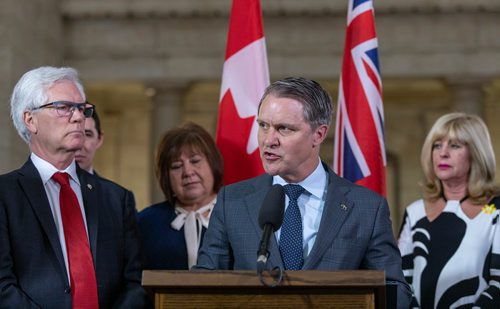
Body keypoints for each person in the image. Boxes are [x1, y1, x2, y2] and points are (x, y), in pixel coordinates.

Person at [195, 77, 411, 307]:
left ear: (318, 134)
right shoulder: (233, 201)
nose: (269, 140)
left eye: (284, 129)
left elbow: (395, 292)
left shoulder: (367, 207)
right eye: (263, 125)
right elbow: (204, 284)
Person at [0, 66, 151, 308]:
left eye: (82, 108)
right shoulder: (5, 196)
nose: (79, 117)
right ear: (30, 120)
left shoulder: (115, 198)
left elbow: (135, 281)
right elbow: (2, 287)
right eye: (63, 107)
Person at [398, 112, 500, 308]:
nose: (443, 153)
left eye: (454, 145)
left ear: (476, 153)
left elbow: (499, 281)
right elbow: (401, 280)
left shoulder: (495, 210)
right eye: (437, 145)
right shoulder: (415, 212)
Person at [137, 122, 224, 270]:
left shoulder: (237, 216)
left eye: (195, 161)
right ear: (165, 177)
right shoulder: (144, 223)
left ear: (213, 163)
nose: (188, 172)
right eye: (176, 166)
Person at [75, 107, 104, 174]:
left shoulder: (109, 185)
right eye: (71, 134)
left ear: (99, 139)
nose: (78, 145)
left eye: (88, 134)